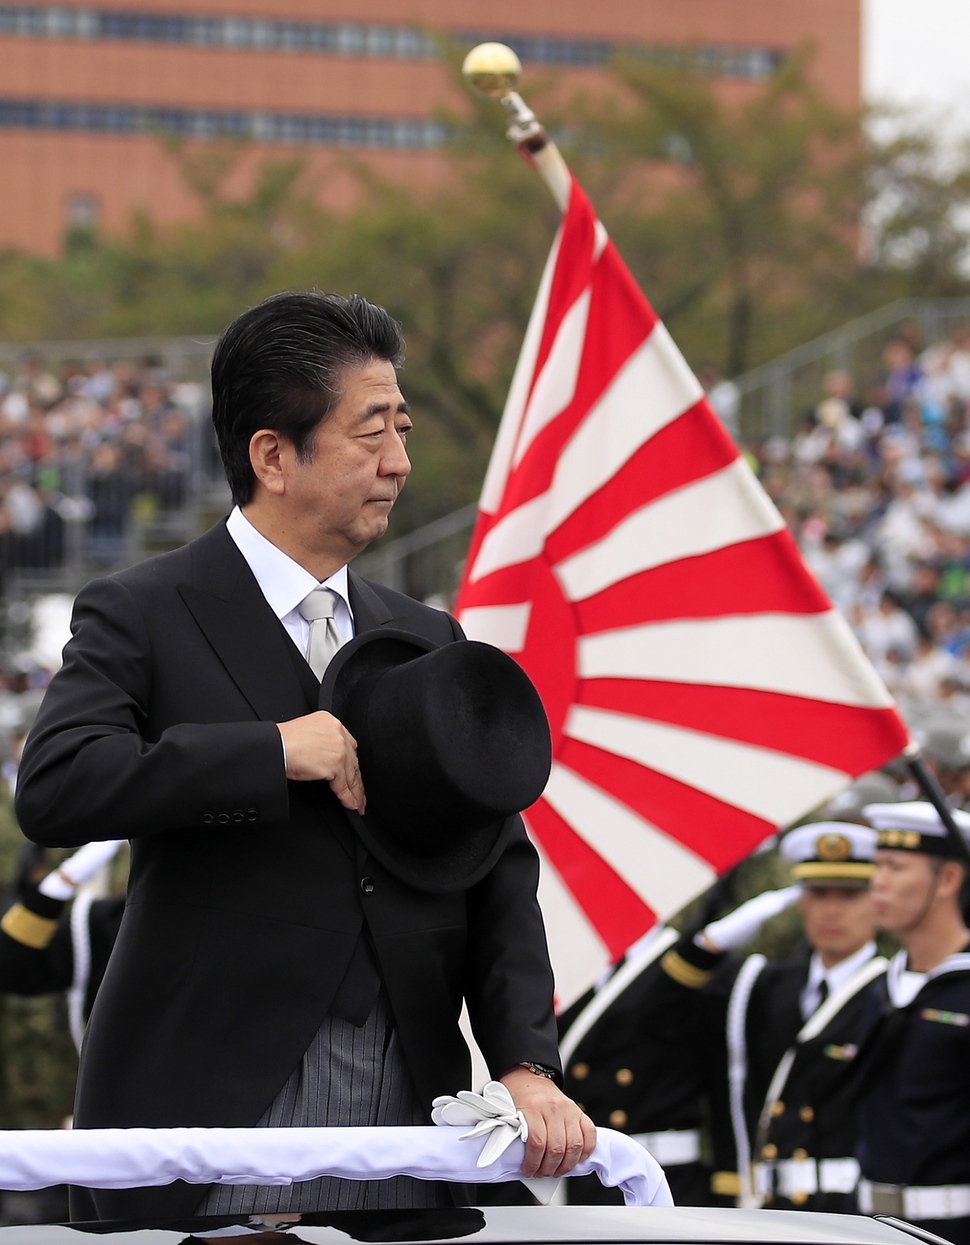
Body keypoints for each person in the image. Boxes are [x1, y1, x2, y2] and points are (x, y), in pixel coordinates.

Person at [14, 292, 592, 1219]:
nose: (398, 462)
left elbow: (497, 871)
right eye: (371, 434)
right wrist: (268, 751)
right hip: (212, 1100)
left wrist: (526, 1063)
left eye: (401, 429)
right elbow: (56, 784)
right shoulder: (144, 607)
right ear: (273, 454)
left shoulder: (425, 635)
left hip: (416, 1103)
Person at [661, 823, 882, 1210]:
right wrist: (708, 946)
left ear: (877, 900)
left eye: (850, 894)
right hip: (773, 1206)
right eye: (817, 893)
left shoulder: (890, 991)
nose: (832, 909)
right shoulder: (760, 986)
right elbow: (665, 1020)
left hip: (857, 1208)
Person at [855, 801, 970, 1245]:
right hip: (867, 1227)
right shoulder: (885, 987)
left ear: (948, 879)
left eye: (895, 867)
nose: (877, 883)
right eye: (877, 865)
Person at [0, 839, 125, 1050]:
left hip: (104, 973)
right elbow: (55, 890)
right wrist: (113, 837)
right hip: (106, 939)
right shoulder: (5, 954)